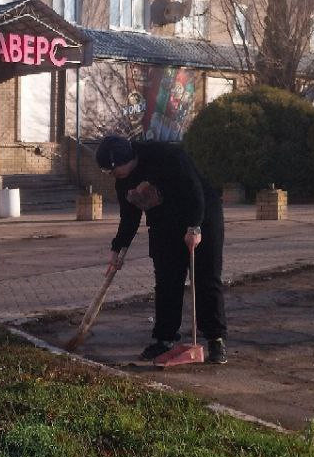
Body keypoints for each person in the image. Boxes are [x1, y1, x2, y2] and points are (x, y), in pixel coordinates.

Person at [96, 134, 228, 365]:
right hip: (163, 222)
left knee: (206, 277)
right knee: (167, 280)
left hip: (201, 213)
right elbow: (129, 216)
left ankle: (216, 339)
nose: (111, 176)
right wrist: (118, 248)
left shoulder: (167, 156)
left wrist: (195, 227)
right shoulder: (123, 180)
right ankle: (164, 339)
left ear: (123, 161)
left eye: (111, 170)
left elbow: (195, 191)